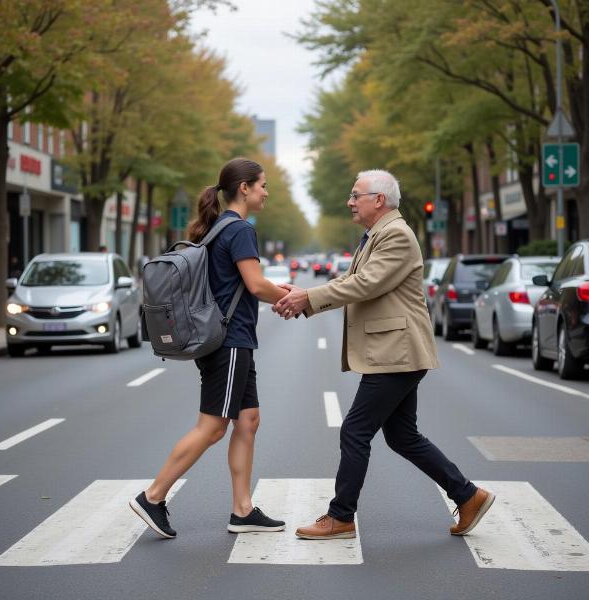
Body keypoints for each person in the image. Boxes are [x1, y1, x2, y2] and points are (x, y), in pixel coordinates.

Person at [274, 169, 495, 540]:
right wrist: (305, 296)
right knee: (402, 436)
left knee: (355, 430)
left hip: (397, 352)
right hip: (395, 350)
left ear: (378, 199)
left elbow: (365, 284)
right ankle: (468, 495)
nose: (349, 201)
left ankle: (341, 516)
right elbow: (350, 282)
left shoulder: (395, 235)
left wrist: (307, 298)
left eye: (355, 194)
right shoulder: (376, 235)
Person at [130, 158, 289, 539]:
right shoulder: (240, 230)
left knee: (247, 421)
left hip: (233, 340)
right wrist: (292, 297)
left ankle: (242, 510)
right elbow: (255, 284)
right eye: (263, 185)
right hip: (229, 342)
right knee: (213, 426)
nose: (267, 191)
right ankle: (153, 496)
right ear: (245, 188)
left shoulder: (220, 227)